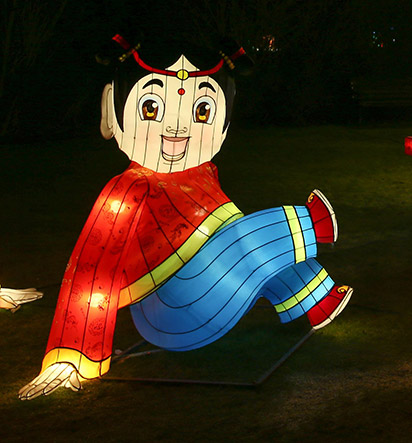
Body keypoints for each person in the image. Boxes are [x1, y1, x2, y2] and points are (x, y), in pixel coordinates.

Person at [19, 36, 350, 400]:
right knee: (242, 241)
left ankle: (317, 300)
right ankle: (308, 225)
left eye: (202, 111)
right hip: (173, 312)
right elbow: (91, 269)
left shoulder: (202, 175)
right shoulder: (128, 190)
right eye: (150, 108)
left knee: (245, 246)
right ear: (110, 113)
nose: (176, 129)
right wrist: (72, 355)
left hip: (208, 292)